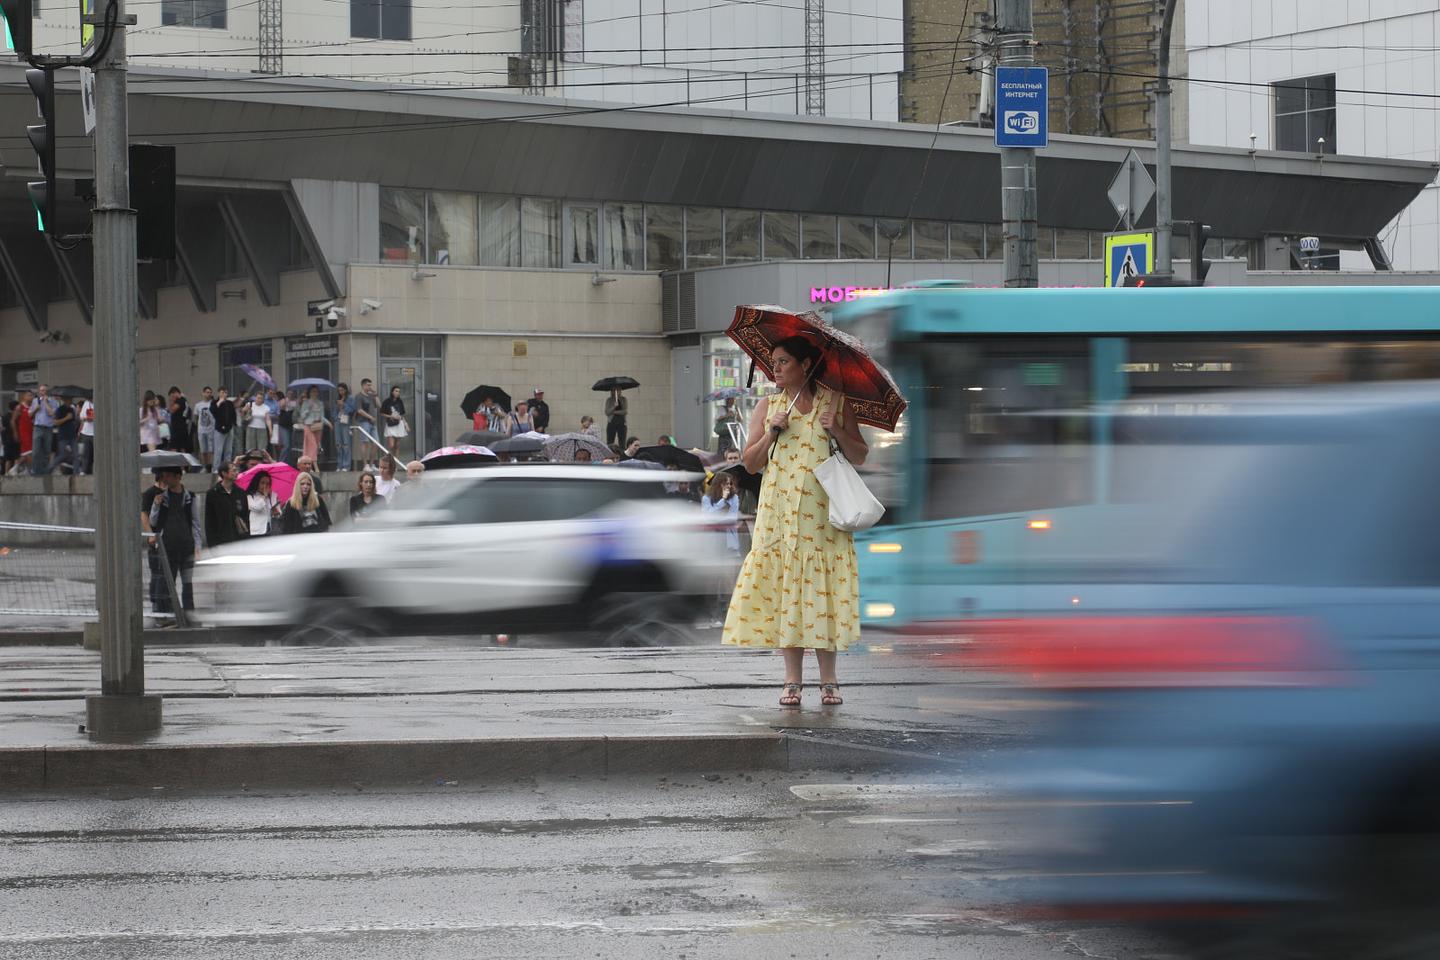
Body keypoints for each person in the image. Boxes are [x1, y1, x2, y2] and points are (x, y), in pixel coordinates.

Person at [723, 334, 868, 709]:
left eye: (783, 361)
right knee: (789, 593)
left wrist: (835, 430)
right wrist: (772, 430)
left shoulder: (834, 402)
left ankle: (830, 680)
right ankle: (792, 680)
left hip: (824, 521)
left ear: (805, 364)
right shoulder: (769, 407)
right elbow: (751, 464)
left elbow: (860, 454)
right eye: (773, 362)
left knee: (822, 596)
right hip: (780, 519)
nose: (775, 369)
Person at [147, 466, 201, 619]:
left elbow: (196, 523)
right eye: (165, 476)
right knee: (166, 582)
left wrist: (198, 546)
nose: (166, 479)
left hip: (186, 545)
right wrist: (156, 505)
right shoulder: (161, 497)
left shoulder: (189, 497)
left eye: (169, 476)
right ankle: (166, 614)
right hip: (168, 546)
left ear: (178, 477)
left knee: (187, 582)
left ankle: (189, 613)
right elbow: (153, 521)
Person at [204, 461, 249, 546]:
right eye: (233, 470)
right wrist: (212, 544)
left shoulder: (240, 492)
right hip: (221, 541)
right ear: (224, 473)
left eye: (237, 470)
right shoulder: (213, 493)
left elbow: (246, 515)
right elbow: (209, 520)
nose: (237, 473)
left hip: (239, 540)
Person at [27, 384, 59, 474]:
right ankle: (35, 470)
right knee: (36, 450)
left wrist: (45, 403)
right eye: (41, 390)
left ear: (48, 392)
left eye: (44, 390)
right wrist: (36, 409)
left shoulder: (53, 402)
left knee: (47, 450)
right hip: (38, 428)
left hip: (48, 428)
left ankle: (44, 470)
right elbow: (29, 415)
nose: (42, 392)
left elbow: (52, 413)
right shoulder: (35, 401)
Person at [354, 378, 380, 469]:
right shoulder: (359, 396)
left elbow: (379, 406)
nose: (370, 387)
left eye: (370, 385)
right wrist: (370, 417)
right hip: (364, 422)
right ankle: (365, 464)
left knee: (376, 443)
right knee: (364, 442)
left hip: (373, 423)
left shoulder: (371, 396)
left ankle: (372, 464)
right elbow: (359, 410)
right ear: (363, 385)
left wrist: (375, 395)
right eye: (368, 385)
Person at [49, 394, 77, 475]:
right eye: (69, 399)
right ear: (65, 400)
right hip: (63, 435)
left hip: (72, 435)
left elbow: (73, 421)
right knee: (62, 455)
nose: (71, 400)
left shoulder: (72, 409)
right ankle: (50, 468)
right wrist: (66, 418)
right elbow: (56, 422)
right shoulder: (60, 410)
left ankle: (76, 473)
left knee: (75, 455)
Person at [298, 386, 326, 463]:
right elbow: (302, 416)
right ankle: (315, 465)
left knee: (315, 446)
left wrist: (327, 423)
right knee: (312, 445)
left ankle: (308, 463)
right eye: (313, 391)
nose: (314, 393)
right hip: (308, 425)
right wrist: (308, 409)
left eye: (316, 391)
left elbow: (322, 416)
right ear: (309, 393)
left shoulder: (320, 403)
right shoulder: (306, 402)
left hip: (317, 426)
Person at [212, 387, 237, 468]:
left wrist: (233, 424)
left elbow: (233, 414)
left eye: (226, 393)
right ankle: (216, 468)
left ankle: (227, 468)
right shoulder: (214, 402)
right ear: (219, 393)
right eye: (222, 392)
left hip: (229, 428)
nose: (224, 394)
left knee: (228, 450)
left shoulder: (229, 403)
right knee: (218, 450)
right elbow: (213, 410)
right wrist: (219, 402)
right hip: (219, 429)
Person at [380, 386, 408, 460]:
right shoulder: (387, 401)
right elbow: (382, 413)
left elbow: (402, 414)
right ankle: (390, 461)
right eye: (396, 391)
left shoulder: (400, 401)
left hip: (399, 423)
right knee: (391, 445)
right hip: (390, 424)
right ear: (392, 392)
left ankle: (396, 463)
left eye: (399, 391)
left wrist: (406, 424)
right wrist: (390, 416)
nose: (397, 393)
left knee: (397, 445)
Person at [334, 382, 355, 471]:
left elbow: (353, 409)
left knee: (346, 444)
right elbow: (334, 412)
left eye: (342, 390)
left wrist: (343, 405)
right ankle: (339, 465)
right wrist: (335, 416)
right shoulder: (337, 399)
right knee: (338, 444)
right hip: (338, 421)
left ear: (345, 390)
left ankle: (346, 465)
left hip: (346, 421)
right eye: (339, 390)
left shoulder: (350, 398)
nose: (340, 392)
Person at [167, 387, 192, 454]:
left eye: (171, 396)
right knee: (182, 447)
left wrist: (172, 401)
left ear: (175, 393)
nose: (171, 398)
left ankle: (175, 464)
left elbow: (172, 410)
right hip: (182, 426)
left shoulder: (180, 400)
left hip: (178, 427)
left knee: (174, 447)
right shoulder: (184, 400)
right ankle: (183, 464)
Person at [76, 395, 95, 475]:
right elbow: (81, 416)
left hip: (95, 432)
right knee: (86, 453)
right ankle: (84, 470)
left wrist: (93, 418)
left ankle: (93, 470)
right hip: (86, 432)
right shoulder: (86, 403)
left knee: (94, 454)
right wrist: (86, 418)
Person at [2, 400, 18, 475]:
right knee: (15, 457)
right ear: (15, 407)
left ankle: (6, 473)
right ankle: (13, 472)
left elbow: (3, 429)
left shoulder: (4, 416)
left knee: (8, 458)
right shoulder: (16, 416)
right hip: (14, 438)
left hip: (7, 439)